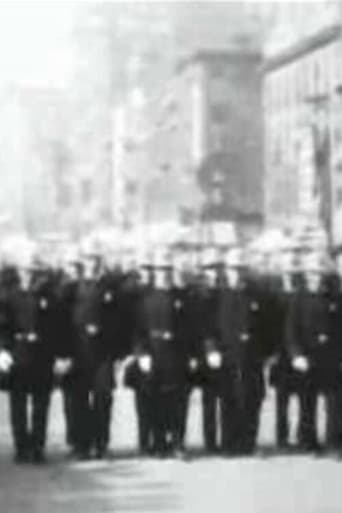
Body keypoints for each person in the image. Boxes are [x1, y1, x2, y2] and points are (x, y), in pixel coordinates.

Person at [0, 253, 67, 463]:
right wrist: (2, 350)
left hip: (42, 355)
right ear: (19, 273)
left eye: (32, 272)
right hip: (18, 355)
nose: (29, 276)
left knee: (41, 405)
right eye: (25, 272)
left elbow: (58, 329)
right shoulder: (8, 297)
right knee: (18, 406)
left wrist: (59, 356)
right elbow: (3, 326)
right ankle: (21, 448)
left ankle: (38, 447)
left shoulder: (50, 297)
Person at [286, 252, 339, 452]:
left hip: (330, 358)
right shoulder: (298, 298)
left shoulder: (334, 296)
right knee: (307, 402)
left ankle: (334, 442)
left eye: (319, 273)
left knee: (334, 403)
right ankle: (308, 442)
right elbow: (290, 329)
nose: (315, 277)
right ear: (306, 275)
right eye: (312, 273)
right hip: (307, 357)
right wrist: (296, 354)